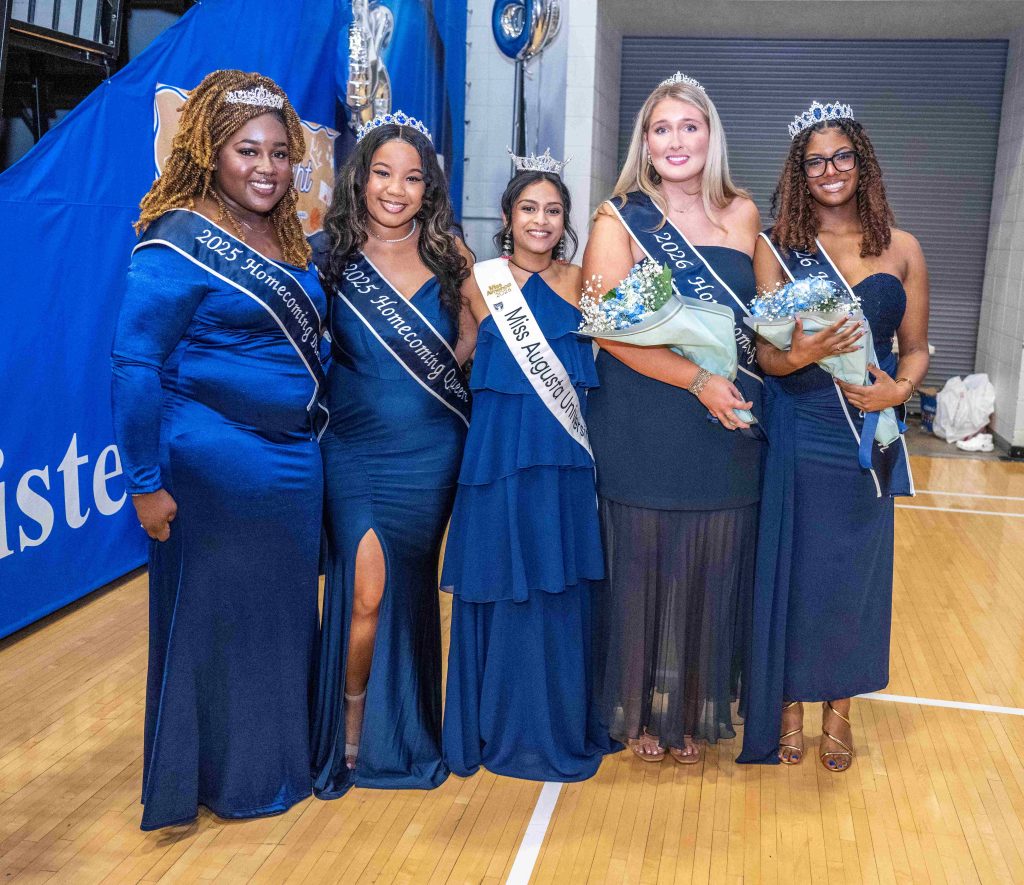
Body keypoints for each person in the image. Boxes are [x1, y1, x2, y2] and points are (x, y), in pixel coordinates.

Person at [112, 70, 327, 830]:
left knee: (279, 620)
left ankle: (277, 765)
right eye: (247, 151)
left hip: (294, 466)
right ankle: (226, 780)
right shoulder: (177, 236)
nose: (265, 168)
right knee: (218, 623)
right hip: (211, 467)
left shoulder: (287, 231)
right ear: (210, 151)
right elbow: (134, 364)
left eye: (278, 153)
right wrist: (143, 481)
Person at [739, 102, 928, 770]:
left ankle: (839, 711)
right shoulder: (773, 247)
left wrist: (898, 393)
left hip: (868, 430)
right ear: (799, 170)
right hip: (800, 421)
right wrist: (803, 351)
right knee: (795, 568)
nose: (830, 171)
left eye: (841, 157)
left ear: (861, 163)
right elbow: (766, 358)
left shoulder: (902, 249)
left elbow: (917, 351)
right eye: (815, 160)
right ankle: (788, 707)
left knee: (852, 572)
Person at [584, 73, 764, 764]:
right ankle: (636, 712)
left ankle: (692, 710)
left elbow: (763, 322)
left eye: (690, 126)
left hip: (727, 428)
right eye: (662, 128)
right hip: (647, 415)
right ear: (646, 142)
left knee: (710, 567)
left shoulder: (744, 213)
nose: (676, 140)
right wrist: (698, 379)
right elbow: (603, 328)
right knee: (643, 563)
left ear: (710, 135)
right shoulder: (619, 216)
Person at [310, 111, 476, 798]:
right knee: (365, 592)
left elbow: (477, 336)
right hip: (353, 446)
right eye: (383, 173)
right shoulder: (324, 255)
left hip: (430, 449)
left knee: (403, 591)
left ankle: (400, 731)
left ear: (429, 190)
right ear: (362, 177)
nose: (396, 188)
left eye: (412, 178)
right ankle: (349, 722)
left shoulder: (452, 259)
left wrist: (439, 372)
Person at [441, 157, 618, 781]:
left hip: (563, 464)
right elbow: (452, 361)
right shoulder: (478, 284)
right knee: (498, 581)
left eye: (552, 210)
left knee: (557, 584)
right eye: (528, 209)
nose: (540, 221)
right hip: (497, 463)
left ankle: (556, 724)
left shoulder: (582, 282)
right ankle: (493, 725)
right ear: (508, 218)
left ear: (565, 221)